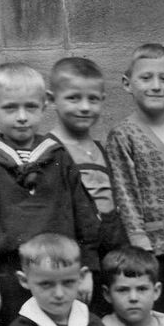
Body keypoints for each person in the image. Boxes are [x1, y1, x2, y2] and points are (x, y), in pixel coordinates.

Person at [0, 62, 100, 325]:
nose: (22, 117)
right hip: (6, 274)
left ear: (44, 105)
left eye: (31, 107)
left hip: (60, 270)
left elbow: (84, 213)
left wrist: (86, 267)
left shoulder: (58, 155)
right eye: (10, 108)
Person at [105, 43, 164, 307]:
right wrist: (139, 240)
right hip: (151, 250)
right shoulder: (123, 134)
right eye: (146, 78)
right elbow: (124, 191)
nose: (156, 86)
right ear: (127, 84)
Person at [47, 57, 129, 277]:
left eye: (93, 99)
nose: (84, 107)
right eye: (73, 98)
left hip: (112, 252)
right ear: (52, 99)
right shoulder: (50, 150)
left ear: (103, 99)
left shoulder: (102, 149)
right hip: (77, 257)